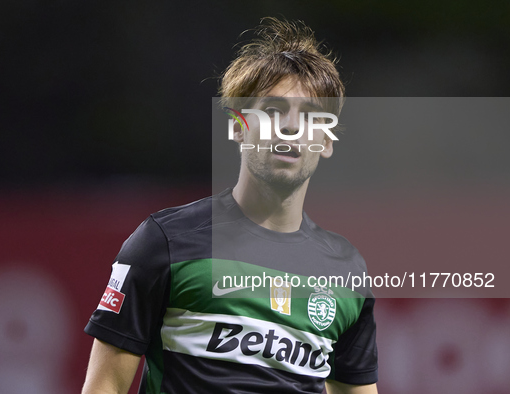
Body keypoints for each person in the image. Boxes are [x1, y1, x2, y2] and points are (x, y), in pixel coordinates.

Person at [82, 17, 378, 394]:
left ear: (327, 141)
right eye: (272, 111)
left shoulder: (347, 271)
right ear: (237, 126)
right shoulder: (163, 242)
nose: (290, 127)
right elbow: (103, 387)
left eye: (309, 116)